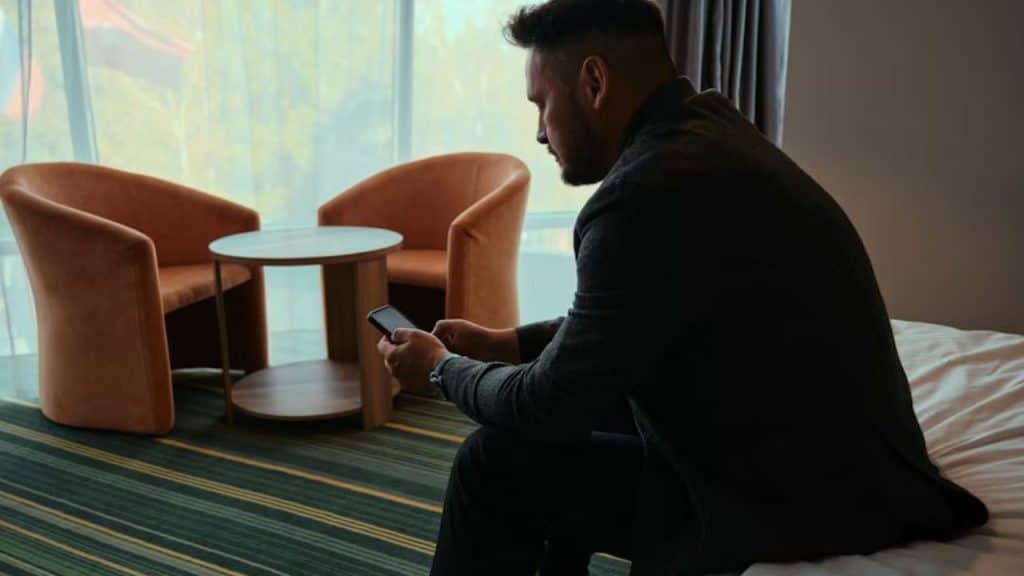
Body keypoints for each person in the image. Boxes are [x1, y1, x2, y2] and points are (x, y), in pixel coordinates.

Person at [376, 0, 989, 574]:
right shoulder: (707, 135)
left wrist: (439, 370)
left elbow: (549, 406)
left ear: (594, 83)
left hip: (804, 501)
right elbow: (626, 324)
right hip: (838, 462)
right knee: (590, 415)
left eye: (541, 103)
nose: (539, 131)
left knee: (495, 463)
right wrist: (507, 342)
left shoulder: (647, 192)